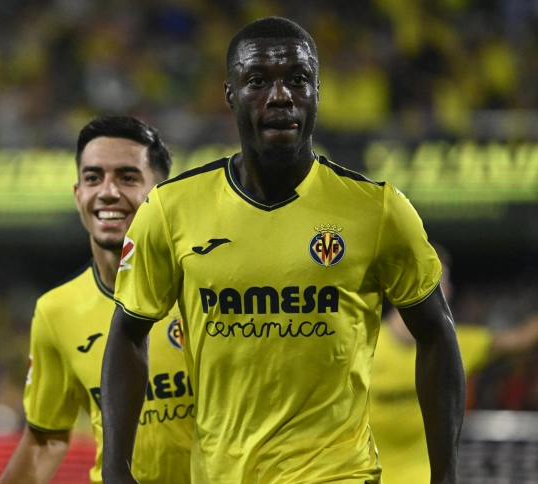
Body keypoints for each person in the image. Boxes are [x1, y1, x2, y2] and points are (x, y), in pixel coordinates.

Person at [100, 16, 465, 484]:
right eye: (258, 81)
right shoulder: (172, 209)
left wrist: (446, 475)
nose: (280, 96)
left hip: (339, 473)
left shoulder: (377, 210)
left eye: (297, 79)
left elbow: (438, 334)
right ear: (230, 94)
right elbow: (128, 332)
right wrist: (115, 469)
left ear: (317, 92)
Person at [0, 116, 194, 484]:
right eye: (93, 178)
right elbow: (46, 439)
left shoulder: (204, 287)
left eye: (127, 177)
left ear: (162, 193)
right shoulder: (55, 311)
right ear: (78, 196)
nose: (107, 191)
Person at [371, 246, 538, 484]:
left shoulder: (455, 344)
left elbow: (521, 340)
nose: (449, 291)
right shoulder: (365, 347)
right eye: (443, 282)